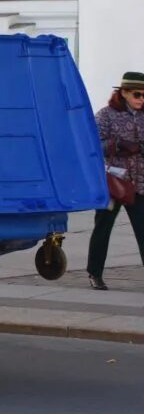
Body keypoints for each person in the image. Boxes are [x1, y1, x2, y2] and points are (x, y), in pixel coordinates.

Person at [87, 71, 144, 290]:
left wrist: (139, 148)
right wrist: (117, 146)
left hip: (139, 184)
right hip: (113, 183)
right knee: (103, 229)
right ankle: (94, 273)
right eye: (138, 94)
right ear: (124, 93)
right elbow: (92, 144)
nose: (141, 99)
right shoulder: (106, 115)